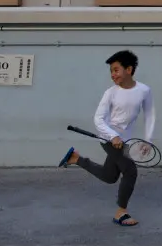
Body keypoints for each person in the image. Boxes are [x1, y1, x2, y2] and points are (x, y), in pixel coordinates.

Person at [58, 50, 154, 227]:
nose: (113, 75)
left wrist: (148, 140)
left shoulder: (144, 91)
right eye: (111, 71)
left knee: (109, 176)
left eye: (116, 70)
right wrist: (113, 136)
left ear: (129, 69)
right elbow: (98, 119)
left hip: (124, 141)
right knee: (130, 171)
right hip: (108, 139)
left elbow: (149, 116)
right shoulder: (110, 93)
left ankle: (76, 159)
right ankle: (121, 213)